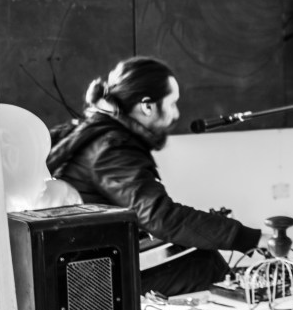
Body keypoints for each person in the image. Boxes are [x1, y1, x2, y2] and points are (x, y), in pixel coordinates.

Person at [47, 57, 262, 296]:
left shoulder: (97, 132)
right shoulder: (112, 147)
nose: (176, 113)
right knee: (203, 265)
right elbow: (160, 217)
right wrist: (246, 238)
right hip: (92, 283)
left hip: (90, 266)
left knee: (194, 248)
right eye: (172, 103)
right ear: (147, 106)